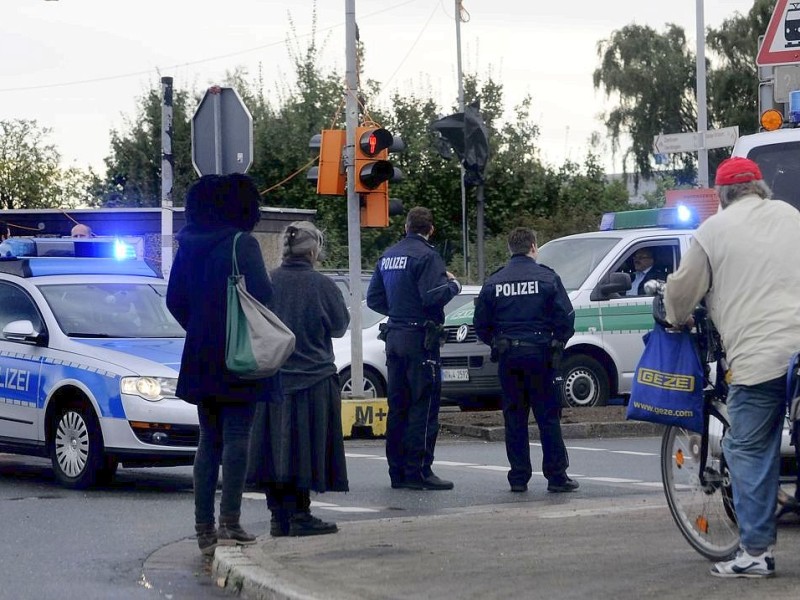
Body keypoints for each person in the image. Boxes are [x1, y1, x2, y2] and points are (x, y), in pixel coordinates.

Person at [663, 157, 800, 578]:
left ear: (722, 196)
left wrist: (675, 316)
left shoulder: (712, 231)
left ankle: (755, 553)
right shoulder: (792, 215)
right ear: (760, 187)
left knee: (749, 449)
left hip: (760, 359)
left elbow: (682, 292)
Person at [167, 173, 281, 557]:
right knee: (236, 436)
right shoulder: (241, 243)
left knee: (208, 438)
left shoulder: (187, 245)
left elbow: (174, 300)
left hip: (200, 353)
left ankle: (203, 529)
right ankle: (230, 522)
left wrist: (199, 326)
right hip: (238, 351)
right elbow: (263, 294)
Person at [247, 221, 350, 537]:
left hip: (270, 378)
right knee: (305, 449)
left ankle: (278, 516)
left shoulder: (266, 281)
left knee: (272, 449)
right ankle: (301, 515)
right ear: (313, 251)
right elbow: (339, 326)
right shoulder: (322, 286)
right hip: (312, 379)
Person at [473, 227, 578, 494]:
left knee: (514, 418)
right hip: (541, 356)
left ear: (510, 249)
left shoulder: (494, 281)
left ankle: (518, 478)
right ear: (533, 246)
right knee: (548, 417)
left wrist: (496, 341)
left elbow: (481, 323)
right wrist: (558, 342)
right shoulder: (547, 277)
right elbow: (566, 317)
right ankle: (556, 477)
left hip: (509, 357)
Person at [366, 206, 461, 490]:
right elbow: (432, 296)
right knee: (424, 404)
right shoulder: (428, 256)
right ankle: (419, 471)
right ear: (430, 229)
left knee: (398, 406)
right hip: (420, 339)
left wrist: (398, 310)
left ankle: (397, 471)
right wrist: (454, 285)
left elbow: (373, 299)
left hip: (394, 336)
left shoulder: (388, 256)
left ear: (405, 227)